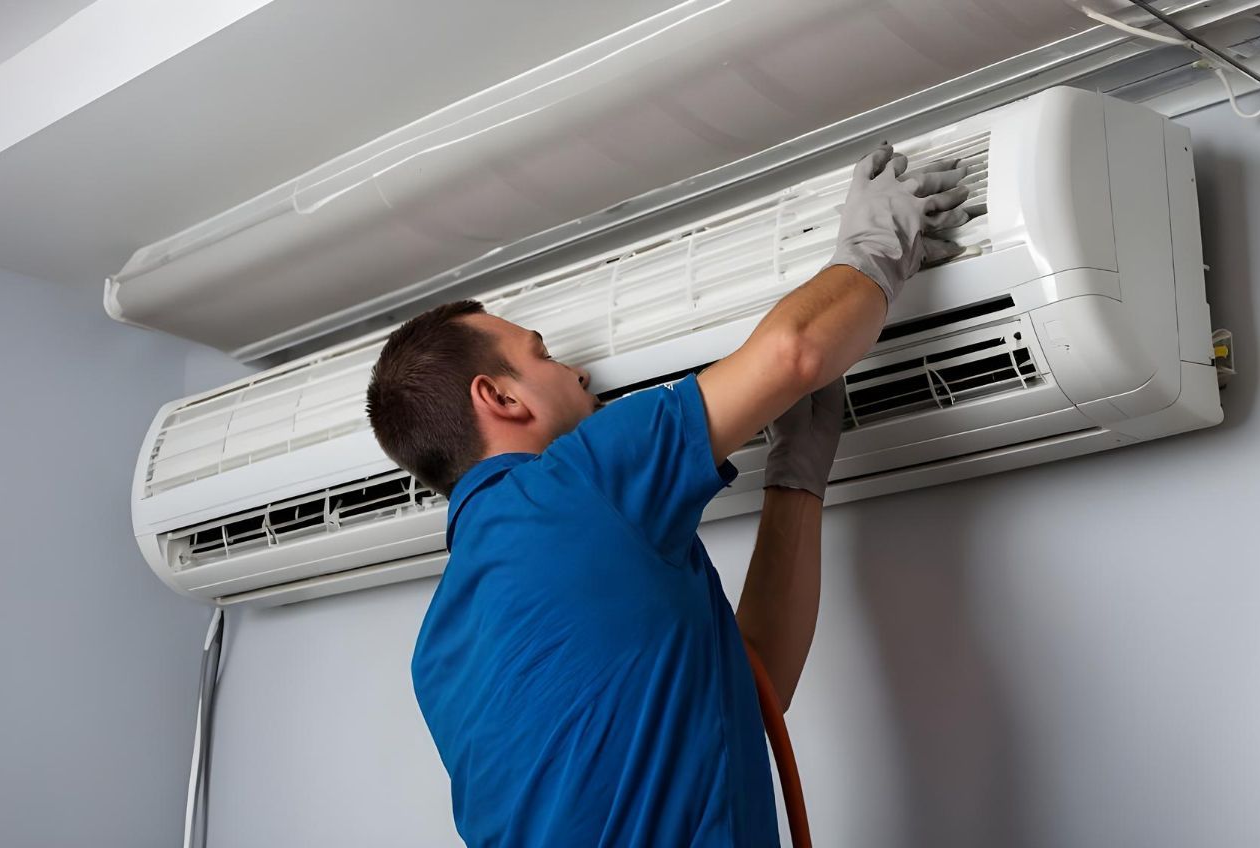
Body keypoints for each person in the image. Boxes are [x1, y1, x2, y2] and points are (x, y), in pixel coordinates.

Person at [366, 143, 969, 846]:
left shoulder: (437, 656)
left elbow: (748, 697)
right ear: (498, 396)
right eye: (545, 356)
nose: (580, 376)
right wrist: (870, 249)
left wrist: (794, 483)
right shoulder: (569, 484)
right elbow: (795, 352)